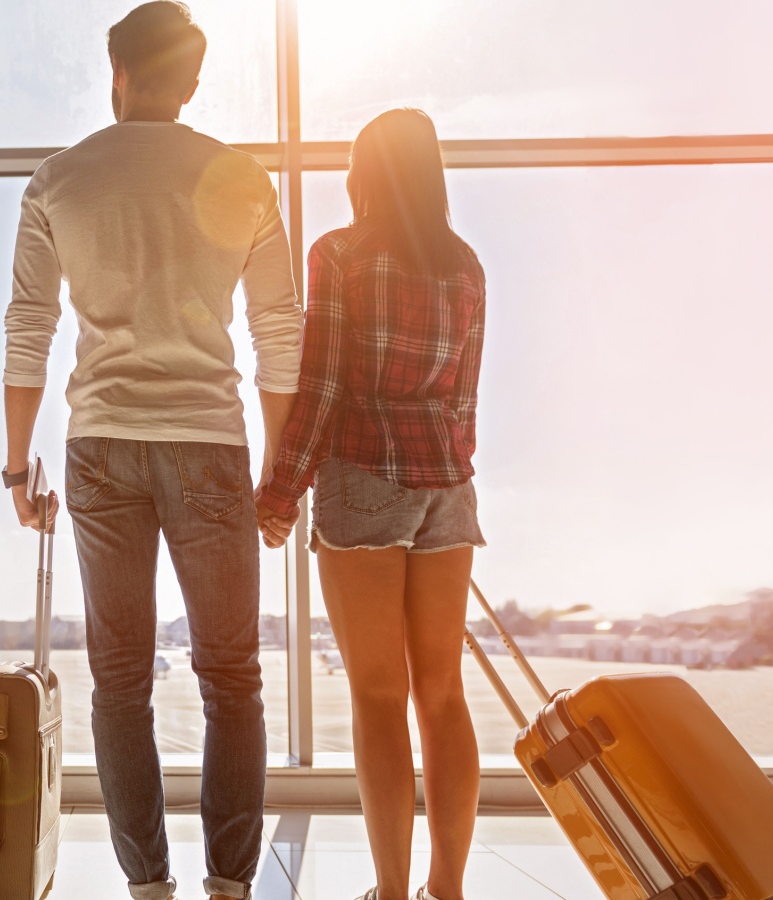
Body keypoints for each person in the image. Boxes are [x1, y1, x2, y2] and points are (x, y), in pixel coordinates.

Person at [1, 3, 302, 898]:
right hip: (208, 441)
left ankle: (149, 888)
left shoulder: (59, 180)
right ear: (194, 82)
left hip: (100, 445)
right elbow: (278, 330)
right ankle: (231, 885)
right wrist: (279, 471)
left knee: (119, 681)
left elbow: (29, 329)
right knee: (232, 677)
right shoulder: (242, 177)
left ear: (117, 71)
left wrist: (18, 468)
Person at [255, 108, 488, 900]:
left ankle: (392, 894)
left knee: (379, 695)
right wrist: (449, 475)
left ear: (365, 173)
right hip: (448, 488)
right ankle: (445, 890)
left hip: (364, 480)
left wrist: (281, 491)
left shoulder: (342, 254)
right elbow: (466, 397)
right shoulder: (466, 266)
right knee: (444, 693)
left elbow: (320, 388)